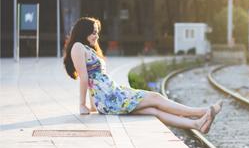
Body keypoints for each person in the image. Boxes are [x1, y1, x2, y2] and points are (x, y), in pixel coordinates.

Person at [63, 17, 222, 134]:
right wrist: (82, 105)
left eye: (97, 33)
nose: (96, 36)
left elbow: (93, 80)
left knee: (154, 111)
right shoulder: (77, 47)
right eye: (93, 33)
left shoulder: (86, 48)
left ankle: (197, 124)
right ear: (84, 32)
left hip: (111, 95)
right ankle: (201, 112)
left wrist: (93, 105)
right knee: (156, 97)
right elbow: (85, 78)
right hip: (110, 98)